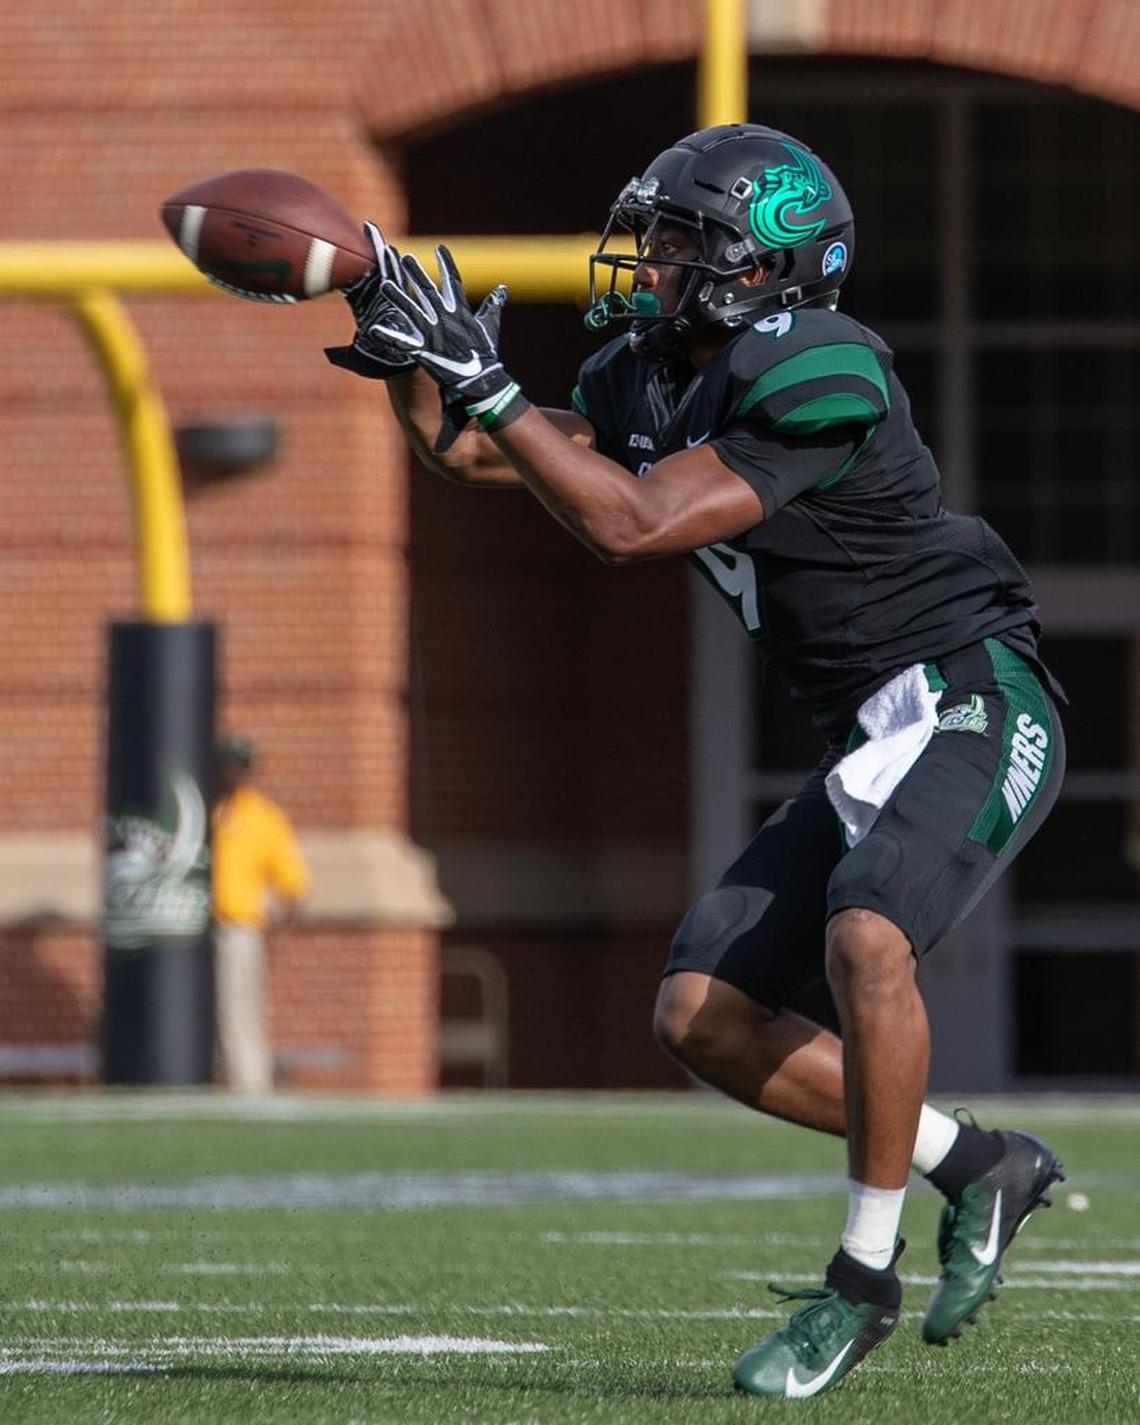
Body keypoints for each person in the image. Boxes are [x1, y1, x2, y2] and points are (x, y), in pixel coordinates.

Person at [325, 124, 1066, 1399]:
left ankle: (861, 1283)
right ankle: (981, 1166)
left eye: (680, 243)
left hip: (973, 697)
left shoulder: (822, 365)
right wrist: (399, 342)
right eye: (655, 236)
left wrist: (489, 384)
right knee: (700, 1016)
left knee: (868, 936)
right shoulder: (645, 372)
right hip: (867, 734)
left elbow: (635, 523)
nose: (650, 263)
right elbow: (476, 451)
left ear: (766, 270)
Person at [211, 735, 310, 1093]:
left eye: (239, 767)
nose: (231, 774)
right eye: (226, 766)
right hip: (187, 929)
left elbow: (293, 886)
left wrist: (275, 934)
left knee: (238, 1011)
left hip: (236, 926)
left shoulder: (264, 818)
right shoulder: (202, 812)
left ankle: (249, 1087)